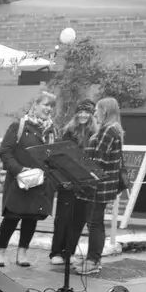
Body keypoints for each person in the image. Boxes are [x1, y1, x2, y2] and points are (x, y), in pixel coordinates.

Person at [0, 95, 55, 268]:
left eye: (51, 106)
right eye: (45, 104)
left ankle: (22, 252)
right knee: (11, 217)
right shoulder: (18, 126)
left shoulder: (52, 130)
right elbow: (5, 151)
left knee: (31, 218)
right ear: (35, 106)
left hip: (40, 182)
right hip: (18, 181)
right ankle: (0, 251)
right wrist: (19, 170)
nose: (48, 109)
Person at [48, 99, 97, 268]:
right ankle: (56, 252)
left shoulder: (95, 134)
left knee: (79, 219)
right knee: (63, 217)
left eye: (87, 112)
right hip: (68, 180)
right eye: (80, 112)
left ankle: (68, 252)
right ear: (76, 114)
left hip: (85, 184)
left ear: (92, 115)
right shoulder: (68, 132)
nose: (83, 115)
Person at [81, 96, 126, 276]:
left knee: (94, 223)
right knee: (96, 222)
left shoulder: (108, 130)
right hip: (105, 184)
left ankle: (93, 261)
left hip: (98, 185)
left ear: (104, 111)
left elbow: (98, 160)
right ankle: (93, 260)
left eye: (97, 109)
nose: (94, 113)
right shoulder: (114, 129)